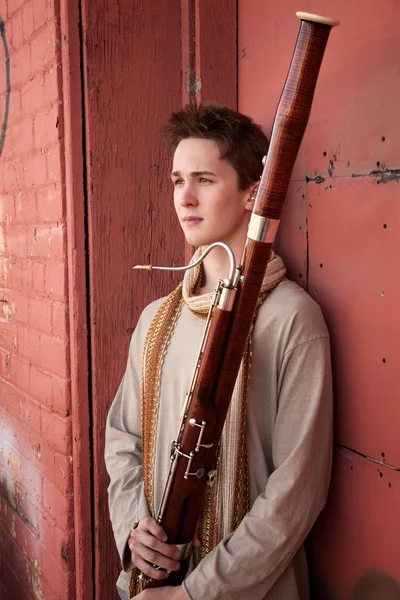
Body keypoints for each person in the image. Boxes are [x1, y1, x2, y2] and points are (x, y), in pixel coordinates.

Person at [105, 104, 333, 600]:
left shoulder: (292, 318)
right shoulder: (154, 320)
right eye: (176, 180)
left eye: (204, 179)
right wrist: (133, 528)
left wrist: (195, 594)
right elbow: (123, 439)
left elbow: (298, 492)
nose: (184, 197)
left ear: (254, 191)